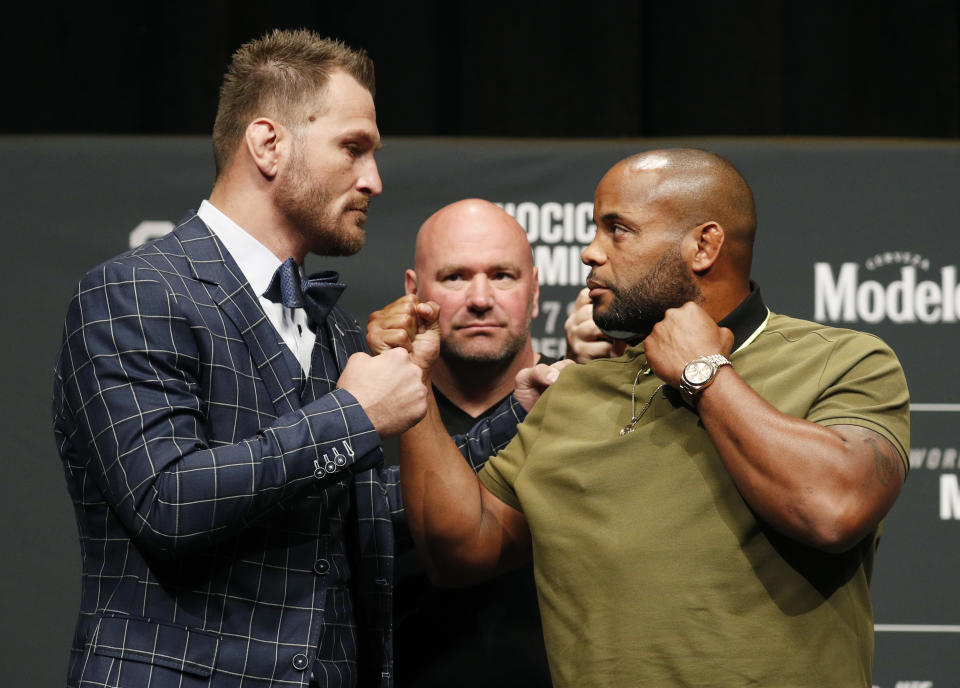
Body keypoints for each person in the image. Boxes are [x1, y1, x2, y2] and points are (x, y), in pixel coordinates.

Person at [51, 30, 525, 688]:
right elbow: (166, 499)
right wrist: (356, 415)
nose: (375, 181)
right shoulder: (134, 292)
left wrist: (520, 413)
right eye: (354, 148)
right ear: (269, 144)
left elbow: (354, 521)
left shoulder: (329, 324)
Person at [374, 148, 910, 687]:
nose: (589, 252)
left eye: (618, 230)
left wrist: (704, 375)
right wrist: (414, 375)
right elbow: (458, 549)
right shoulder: (578, 390)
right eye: (595, 229)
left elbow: (832, 509)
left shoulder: (841, 360)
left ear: (703, 245)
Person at [370, 199, 554, 687]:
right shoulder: (364, 416)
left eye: (502, 276)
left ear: (534, 290)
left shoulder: (580, 405)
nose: (479, 298)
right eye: (455, 277)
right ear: (414, 291)